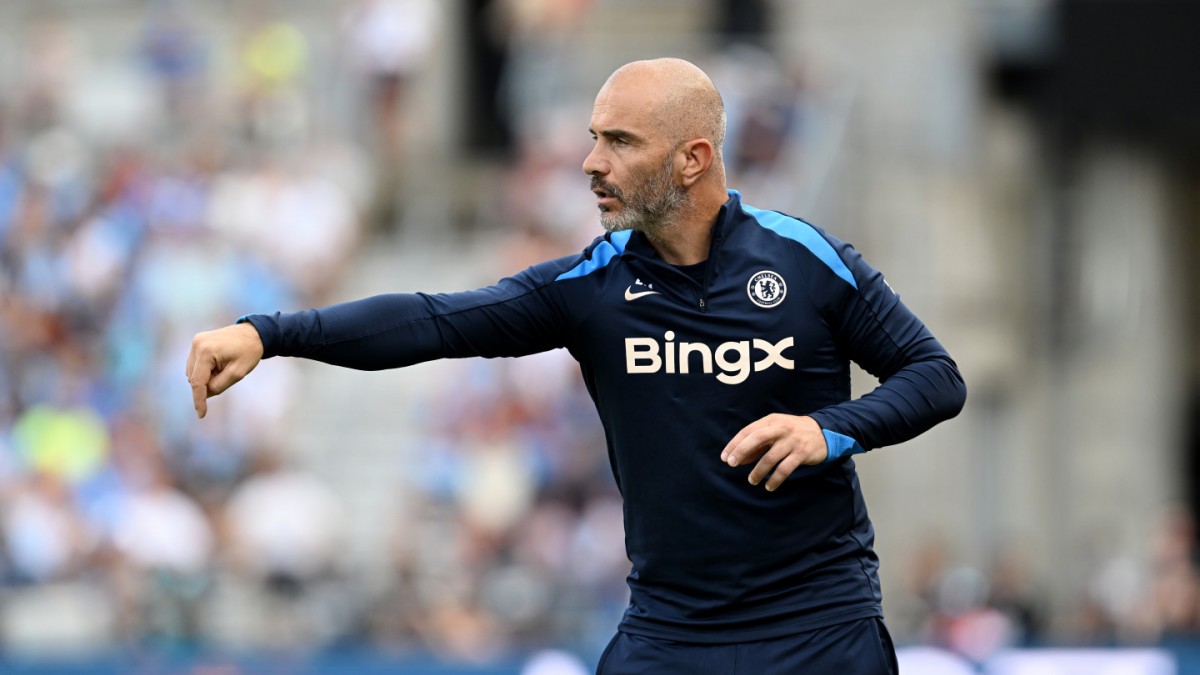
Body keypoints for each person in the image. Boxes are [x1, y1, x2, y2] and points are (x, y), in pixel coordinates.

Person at [186, 58, 966, 674]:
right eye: (594, 138)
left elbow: (935, 375)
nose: (592, 162)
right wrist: (269, 333)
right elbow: (434, 320)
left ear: (693, 159)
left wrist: (828, 429)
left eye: (620, 142)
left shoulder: (808, 261)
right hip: (670, 632)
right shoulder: (593, 285)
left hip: (819, 628)